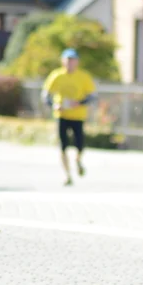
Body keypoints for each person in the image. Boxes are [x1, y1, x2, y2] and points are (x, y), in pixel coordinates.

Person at [42, 48, 97, 186]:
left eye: (72, 60)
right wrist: (53, 105)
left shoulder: (83, 77)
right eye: (67, 60)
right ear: (62, 61)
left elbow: (92, 96)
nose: (70, 63)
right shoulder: (57, 76)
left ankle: (78, 161)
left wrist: (79, 103)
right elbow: (45, 95)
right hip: (62, 115)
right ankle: (67, 175)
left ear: (77, 62)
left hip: (78, 116)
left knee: (79, 144)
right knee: (63, 146)